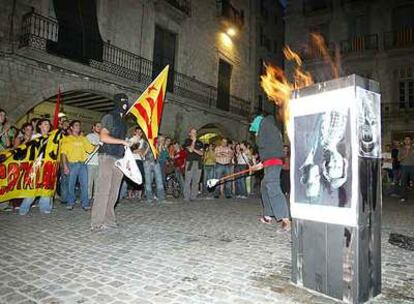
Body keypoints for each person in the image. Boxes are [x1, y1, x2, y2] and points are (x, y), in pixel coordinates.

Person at [91, 93, 131, 231]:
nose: (125, 104)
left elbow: (121, 141)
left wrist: (130, 142)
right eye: (122, 101)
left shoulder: (124, 122)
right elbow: (104, 136)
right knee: (104, 190)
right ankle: (97, 223)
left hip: (119, 158)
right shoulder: (109, 117)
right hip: (107, 156)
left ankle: (109, 220)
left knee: (114, 191)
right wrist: (122, 141)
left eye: (127, 101)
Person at [249, 115, 290, 231]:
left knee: (273, 187)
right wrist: (261, 164)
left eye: (255, 130)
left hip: (273, 163)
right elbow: (270, 150)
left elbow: (262, 145)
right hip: (270, 162)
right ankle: (268, 215)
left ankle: (285, 220)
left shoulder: (265, 127)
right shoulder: (270, 129)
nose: (255, 133)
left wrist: (257, 135)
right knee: (264, 186)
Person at [19, 119, 53, 215]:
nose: (48, 125)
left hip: (48, 165)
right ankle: (24, 208)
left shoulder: (51, 137)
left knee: (46, 186)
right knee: (33, 187)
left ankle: (45, 207)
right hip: (36, 165)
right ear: (40, 126)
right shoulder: (35, 137)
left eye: (48, 124)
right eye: (45, 124)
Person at [61, 120, 96, 210]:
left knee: (84, 184)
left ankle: (85, 203)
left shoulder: (83, 138)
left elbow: (90, 149)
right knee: (70, 184)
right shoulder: (67, 139)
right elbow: (63, 153)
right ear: (71, 127)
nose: (78, 127)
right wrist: (65, 166)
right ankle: (70, 202)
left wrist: (100, 143)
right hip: (72, 164)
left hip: (82, 164)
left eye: (79, 125)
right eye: (76, 125)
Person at [142, 137, 166, 204]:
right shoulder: (145, 142)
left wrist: (159, 146)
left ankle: (161, 198)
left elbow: (159, 154)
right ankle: (149, 198)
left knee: (159, 180)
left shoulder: (157, 142)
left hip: (156, 162)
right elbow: (143, 154)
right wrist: (149, 146)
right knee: (148, 180)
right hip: (147, 162)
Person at [183, 128, 204, 202]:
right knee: (188, 180)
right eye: (193, 132)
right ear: (189, 134)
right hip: (190, 163)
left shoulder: (200, 142)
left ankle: (193, 196)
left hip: (198, 163)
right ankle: (186, 197)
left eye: (195, 132)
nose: (194, 134)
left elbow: (201, 153)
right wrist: (194, 142)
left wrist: (194, 150)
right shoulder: (187, 141)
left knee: (196, 181)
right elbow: (190, 150)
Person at [86, 122, 102, 204]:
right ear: (93, 127)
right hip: (91, 162)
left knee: (98, 182)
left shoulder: (103, 137)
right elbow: (90, 147)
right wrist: (99, 145)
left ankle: (96, 197)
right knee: (89, 182)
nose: (99, 128)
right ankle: (88, 197)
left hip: (100, 162)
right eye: (98, 126)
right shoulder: (89, 136)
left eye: (100, 126)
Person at [399, 136, 414, 202]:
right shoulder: (401, 149)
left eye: (408, 139)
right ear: (404, 141)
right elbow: (399, 159)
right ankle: (403, 197)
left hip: (412, 166)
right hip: (403, 166)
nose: (407, 140)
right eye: (406, 139)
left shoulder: (413, 148)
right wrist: (405, 154)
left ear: (410, 141)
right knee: (403, 182)